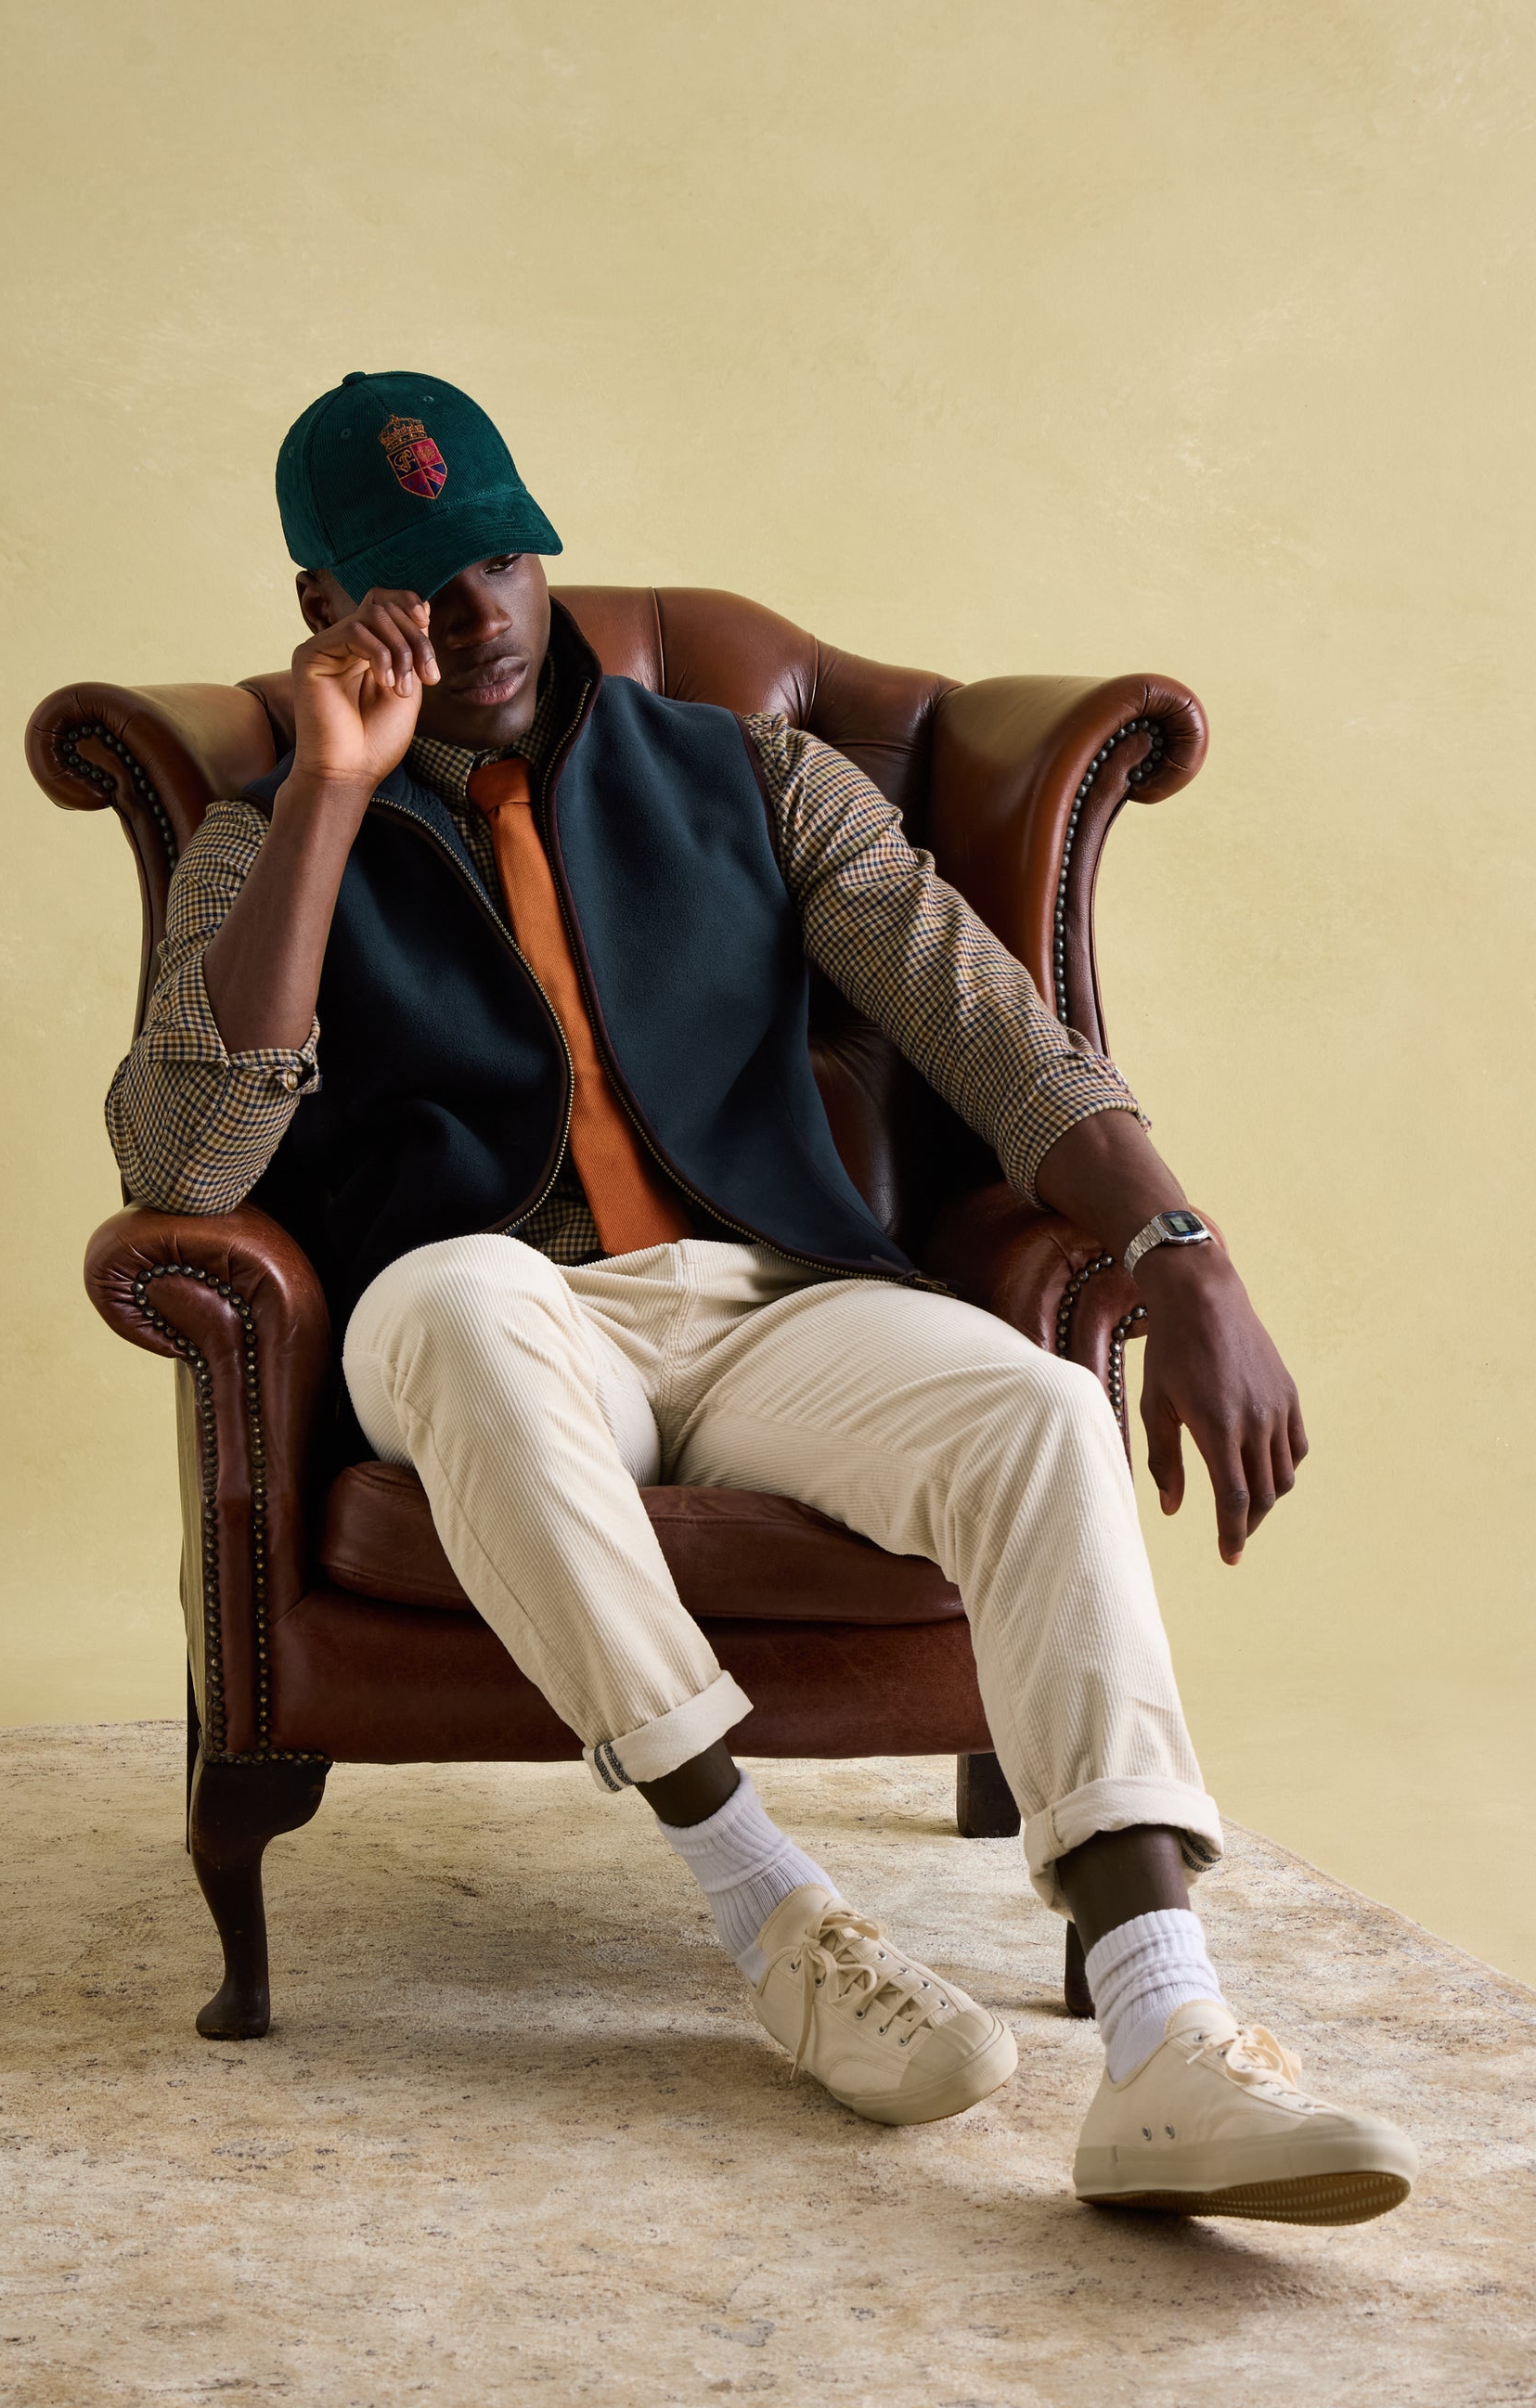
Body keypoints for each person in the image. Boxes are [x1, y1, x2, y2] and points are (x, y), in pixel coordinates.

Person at [107, 370, 1416, 2225]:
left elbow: (997, 1040)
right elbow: (183, 1163)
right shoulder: (263, 841)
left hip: (772, 1297)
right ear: (325, 606)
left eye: (500, 557)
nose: (476, 613)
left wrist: (1182, 1255)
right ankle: (775, 1916)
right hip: (488, 1305)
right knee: (465, 1306)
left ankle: (1165, 2033)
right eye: (413, 583)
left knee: (1040, 1410)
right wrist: (332, 788)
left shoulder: (755, 777)